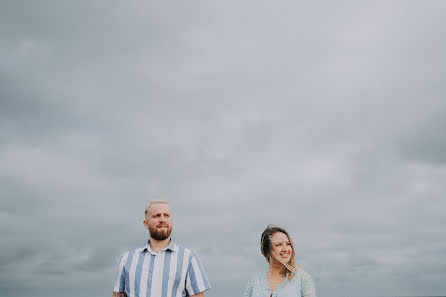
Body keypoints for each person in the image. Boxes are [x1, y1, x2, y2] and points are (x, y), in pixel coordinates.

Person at [113, 200, 211, 297]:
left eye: (166, 215)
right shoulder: (127, 259)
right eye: (157, 216)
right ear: (146, 223)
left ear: (171, 221)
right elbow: (118, 294)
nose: (162, 219)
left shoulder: (189, 258)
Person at [244, 225, 316, 297]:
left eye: (288, 244)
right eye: (278, 245)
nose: (285, 249)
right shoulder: (254, 281)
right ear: (267, 250)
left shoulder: (303, 279)